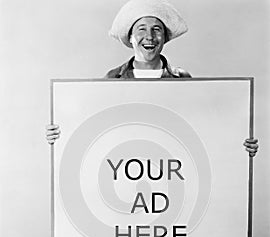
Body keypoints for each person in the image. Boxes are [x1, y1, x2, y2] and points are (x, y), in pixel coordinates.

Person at [46, 0, 258, 156]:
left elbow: (203, 129)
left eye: (157, 30)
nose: (149, 36)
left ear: (165, 37)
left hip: (171, 172)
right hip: (124, 171)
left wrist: (238, 145)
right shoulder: (112, 80)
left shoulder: (183, 80)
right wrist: (61, 135)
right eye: (141, 29)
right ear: (130, 37)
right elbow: (93, 127)